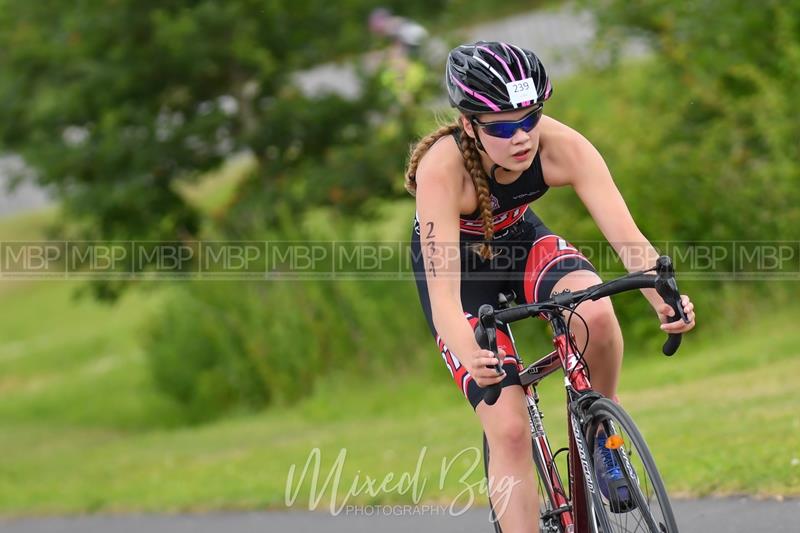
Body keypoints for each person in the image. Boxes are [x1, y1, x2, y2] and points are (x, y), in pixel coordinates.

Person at [405, 41, 696, 532]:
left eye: (531, 117)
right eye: (502, 126)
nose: (521, 137)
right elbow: (444, 300)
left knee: (596, 314)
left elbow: (628, 239)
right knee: (511, 428)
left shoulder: (563, 146)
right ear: (470, 124)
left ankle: (601, 429)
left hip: (521, 241)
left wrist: (664, 298)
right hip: (462, 275)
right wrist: (470, 354)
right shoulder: (442, 168)